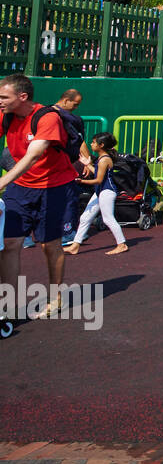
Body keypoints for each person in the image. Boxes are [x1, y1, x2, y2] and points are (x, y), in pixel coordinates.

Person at [0, 73, 81, 319]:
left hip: (54, 186)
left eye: (4, 96)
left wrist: (2, 181)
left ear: (22, 97)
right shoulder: (4, 116)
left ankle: (55, 297)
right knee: (10, 245)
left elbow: (34, 155)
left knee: (49, 245)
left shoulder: (47, 117)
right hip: (21, 188)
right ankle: (8, 307)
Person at [65, 132, 129, 257]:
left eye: (94, 142)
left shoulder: (104, 160)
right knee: (85, 218)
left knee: (108, 219)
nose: (91, 144)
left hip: (107, 192)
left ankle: (122, 244)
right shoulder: (101, 158)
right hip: (100, 191)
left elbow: (98, 180)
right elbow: (98, 174)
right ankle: (75, 246)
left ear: (101, 145)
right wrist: (87, 164)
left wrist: (81, 181)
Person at [53, 88, 92, 245]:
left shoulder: (44, 113)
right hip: (60, 164)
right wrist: (87, 162)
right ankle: (67, 232)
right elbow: (79, 141)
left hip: (52, 164)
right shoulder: (66, 118)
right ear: (65, 100)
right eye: (75, 104)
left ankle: (29, 235)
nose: (76, 108)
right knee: (69, 196)